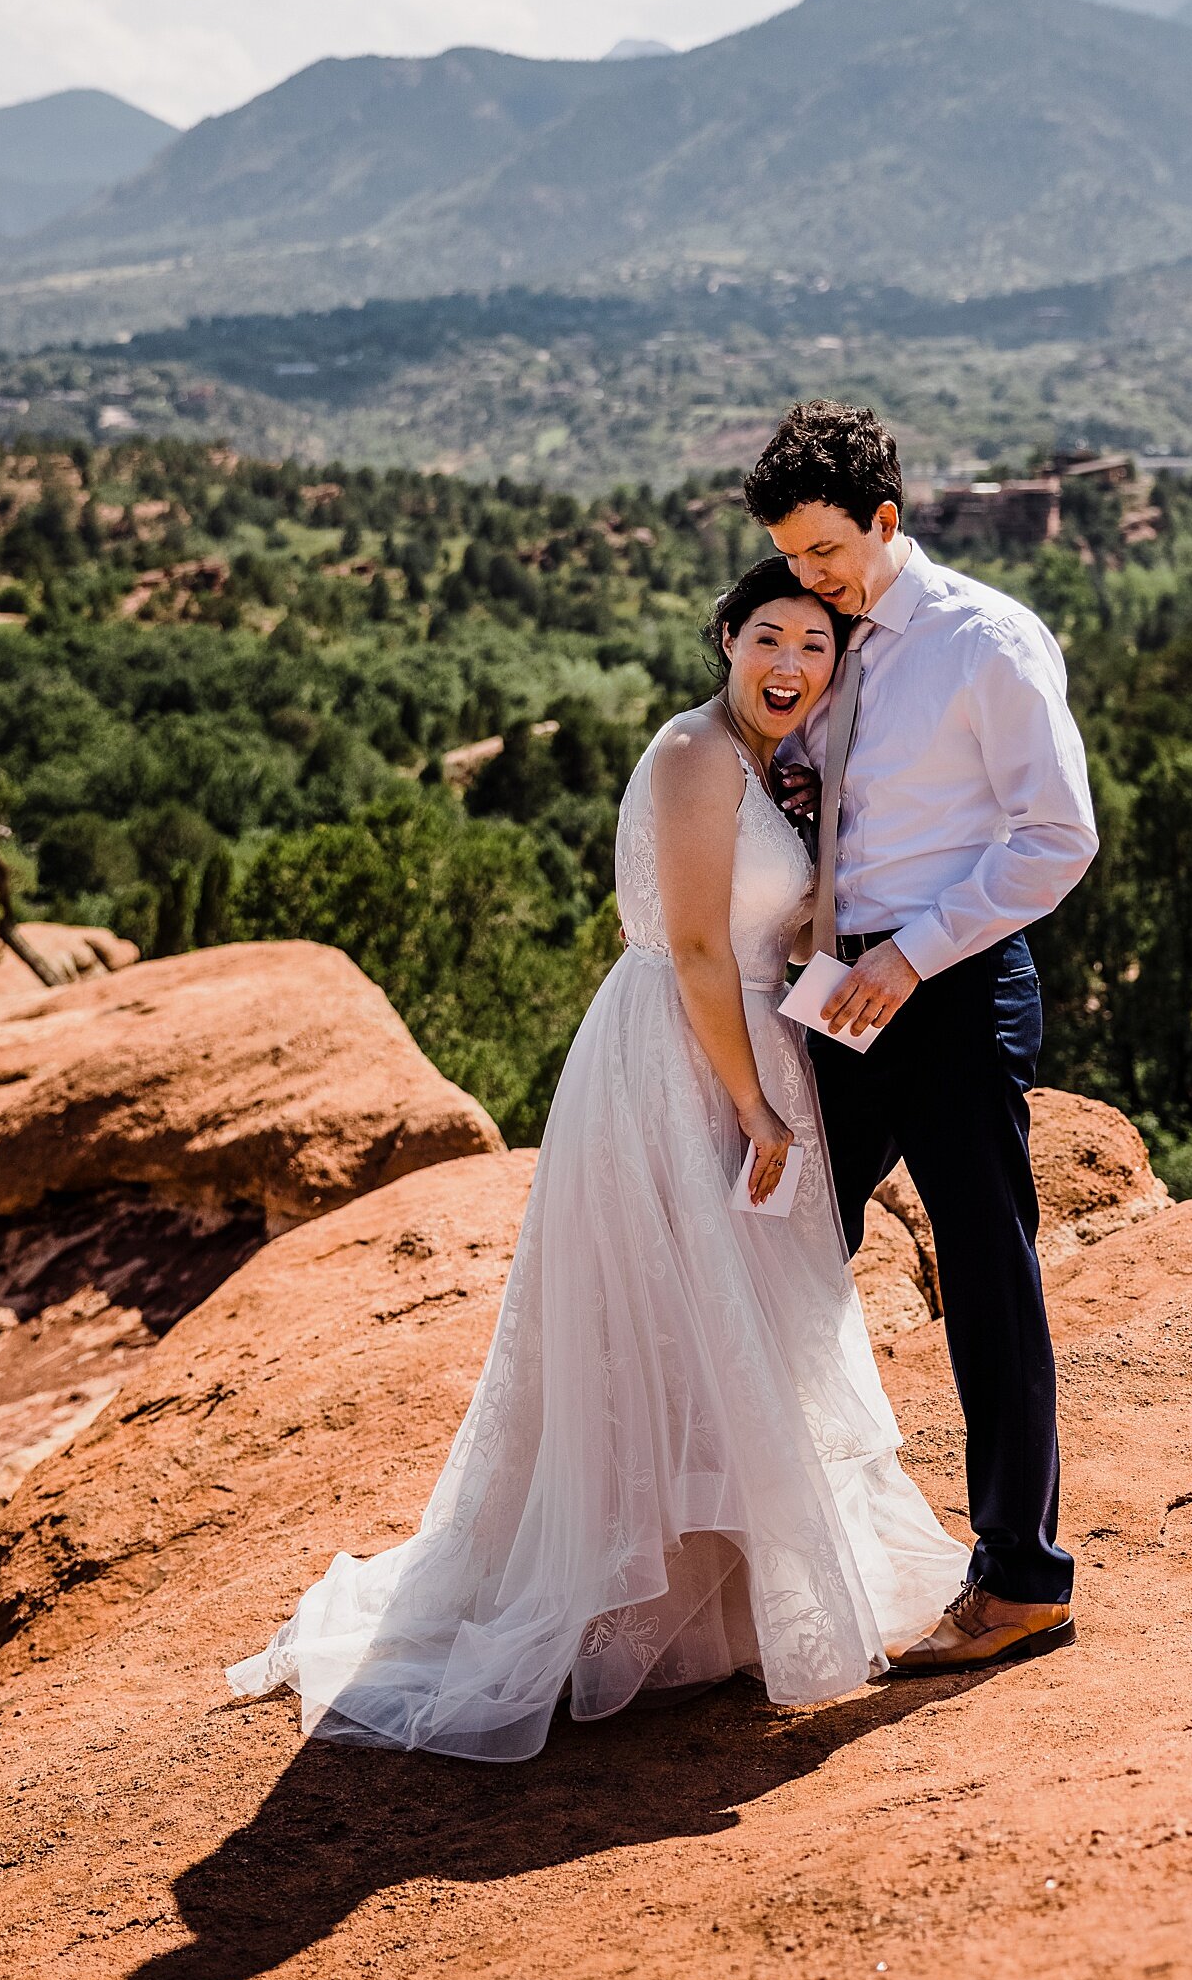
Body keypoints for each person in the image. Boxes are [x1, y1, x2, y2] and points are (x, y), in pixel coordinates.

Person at [227, 556, 966, 1763]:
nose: (791, 663)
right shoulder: (691, 755)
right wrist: (757, 1112)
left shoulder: (786, 765)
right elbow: (690, 946)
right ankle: (623, 1600)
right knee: (667, 1312)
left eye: (817, 644)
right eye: (768, 636)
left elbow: (790, 928)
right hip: (680, 1058)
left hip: (758, 1046)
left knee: (744, 1323)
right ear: (724, 637)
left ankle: (724, 1597)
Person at [746, 400, 1098, 1674]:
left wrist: (911, 952)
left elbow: (1059, 836)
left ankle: (1023, 1576)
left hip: (947, 986)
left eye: (827, 552)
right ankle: (759, 1549)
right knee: (775, 1232)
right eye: (791, 556)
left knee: (985, 1268)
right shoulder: (824, 638)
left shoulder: (985, 641)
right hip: (843, 986)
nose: (808, 577)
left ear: (888, 521)